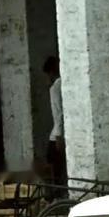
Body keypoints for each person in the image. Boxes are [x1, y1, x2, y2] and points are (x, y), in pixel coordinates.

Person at [44, 56, 66, 186]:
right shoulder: (65, 83)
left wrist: (58, 135)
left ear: (50, 73)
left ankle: (55, 193)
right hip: (62, 132)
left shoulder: (55, 88)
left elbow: (59, 113)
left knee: (53, 164)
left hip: (57, 135)